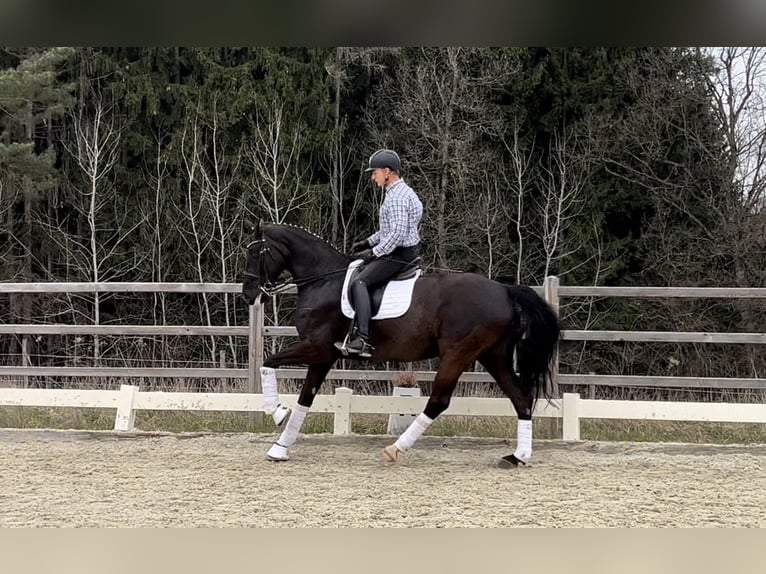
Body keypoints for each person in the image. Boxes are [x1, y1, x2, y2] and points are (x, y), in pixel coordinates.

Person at [335, 148, 423, 358]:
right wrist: (368, 241)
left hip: (398, 255)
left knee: (360, 282)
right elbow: (389, 230)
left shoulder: (397, 198)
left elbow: (398, 234)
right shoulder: (403, 192)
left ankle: (363, 339)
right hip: (401, 250)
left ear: (387, 171)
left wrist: (374, 253)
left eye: (375, 172)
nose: (373, 177)